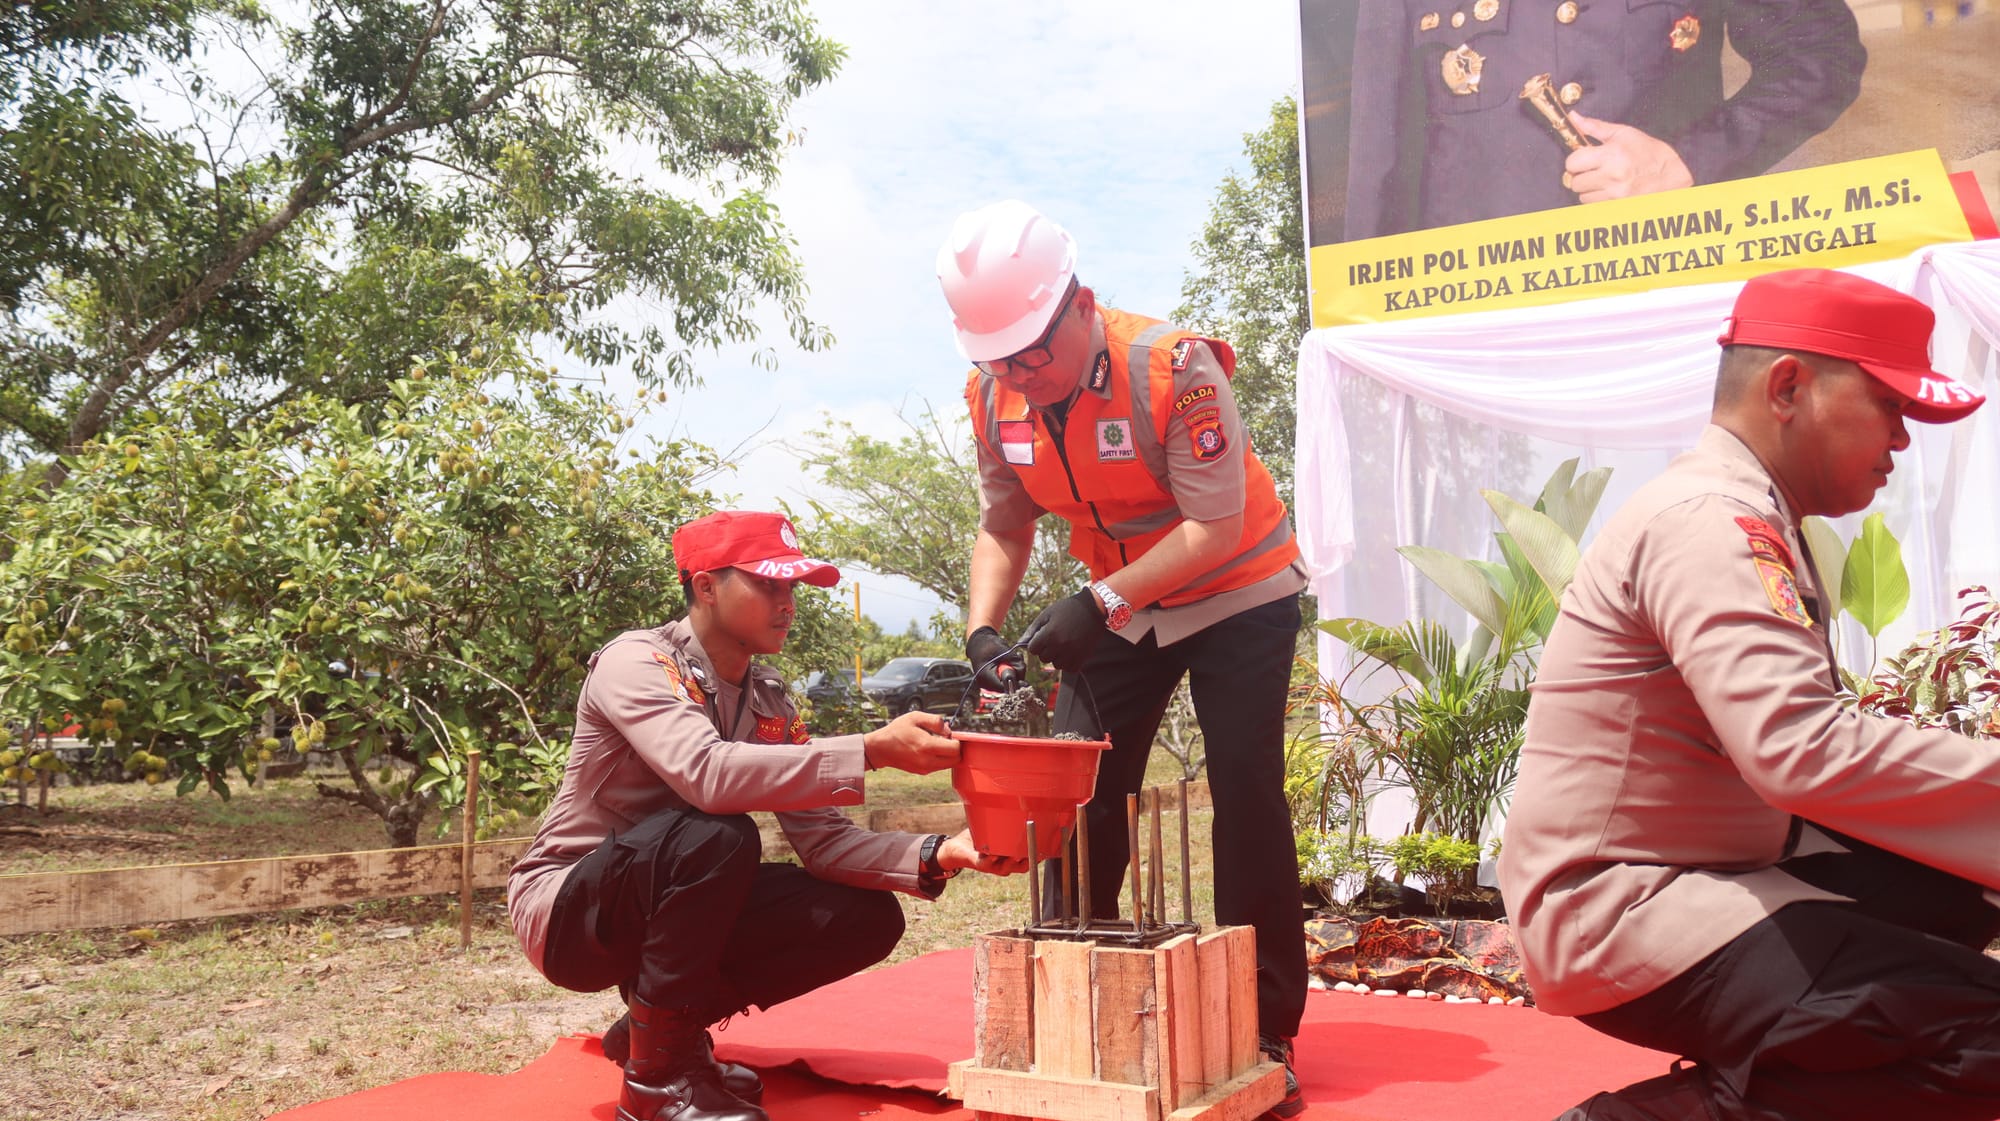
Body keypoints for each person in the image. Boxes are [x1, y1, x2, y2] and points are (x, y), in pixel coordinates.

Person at [1498, 267, 1999, 1120]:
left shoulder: (1746, 512)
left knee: (1958, 895)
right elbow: (1797, 746)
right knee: (1980, 1036)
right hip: (1621, 901)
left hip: (1707, 865)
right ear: (1788, 387)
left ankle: (1772, 1065)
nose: (1902, 438)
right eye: (1889, 403)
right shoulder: (1711, 519)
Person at [936, 199, 1310, 1118]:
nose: (1022, 375)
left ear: (1080, 304)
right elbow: (1004, 524)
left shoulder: (1173, 368)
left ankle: (1263, 1023)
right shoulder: (993, 397)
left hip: (1237, 585)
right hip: (1125, 599)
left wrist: (1100, 602)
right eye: (999, 359)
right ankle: (1081, 994)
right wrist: (983, 630)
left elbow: (1214, 525)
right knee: (1079, 787)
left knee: (1245, 790)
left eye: (1033, 353)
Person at [507, 510, 1025, 1121]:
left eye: (793, 586)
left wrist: (944, 852)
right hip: (570, 909)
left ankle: (661, 1036)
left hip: (665, 888)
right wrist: (870, 751)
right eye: (768, 584)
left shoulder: (768, 699)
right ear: (706, 586)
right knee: (717, 833)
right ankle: (657, 1083)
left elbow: (824, 842)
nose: (787, 603)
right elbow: (706, 774)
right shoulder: (638, 661)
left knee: (862, 916)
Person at [1339, 0, 1867, 241]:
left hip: (1660, 293)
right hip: (1484, 328)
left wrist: (1687, 161)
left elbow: (1821, 57)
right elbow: (1379, 157)